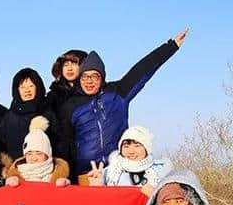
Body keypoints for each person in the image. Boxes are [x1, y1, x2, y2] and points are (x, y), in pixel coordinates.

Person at [59, 29, 189, 184]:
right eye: (85, 76)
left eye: (95, 76)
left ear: (102, 78)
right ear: (80, 78)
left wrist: (171, 46)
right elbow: (65, 142)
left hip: (117, 172)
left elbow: (142, 69)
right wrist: (68, 176)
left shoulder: (117, 93)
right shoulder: (70, 105)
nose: (89, 81)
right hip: (85, 175)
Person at [87, 126, 172, 196]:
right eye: (126, 146)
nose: (131, 151)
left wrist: (155, 195)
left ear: (147, 148)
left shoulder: (160, 172)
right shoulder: (109, 172)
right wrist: (97, 188)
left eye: (137, 146)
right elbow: (100, 202)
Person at [0, 68, 58, 161]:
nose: (27, 90)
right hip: (17, 169)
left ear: (38, 87)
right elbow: (2, 144)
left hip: (43, 168)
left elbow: (58, 143)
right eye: (22, 87)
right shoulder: (9, 116)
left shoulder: (48, 112)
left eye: (31, 86)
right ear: (16, 90)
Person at [4, 116, 70, 187]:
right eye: (29, 154)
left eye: (39, 153)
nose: (34, 158)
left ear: (47, 154)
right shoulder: (17, 174)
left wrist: (64, 183)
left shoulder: (56, 173)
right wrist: (12, 180)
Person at [46, 49, 87, 123]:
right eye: (66, 65)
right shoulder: (52, 97)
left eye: (74, 64)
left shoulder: (91, 91)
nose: (69, 68)